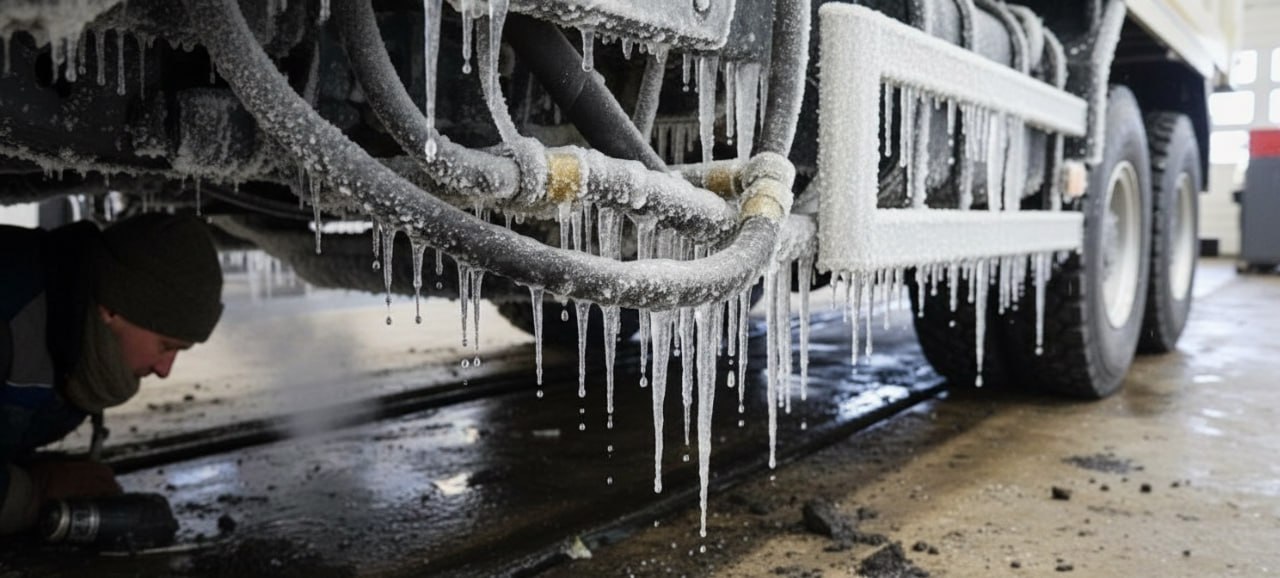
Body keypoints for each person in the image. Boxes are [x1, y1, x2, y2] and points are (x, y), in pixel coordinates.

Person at [0, 212, 223, 535]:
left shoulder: (74, 329)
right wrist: (35, 491)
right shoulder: (10, 316)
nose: (165, 371)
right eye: (166, 346)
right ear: (113, 308)